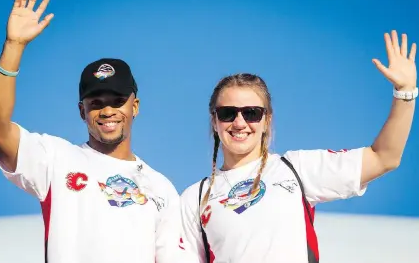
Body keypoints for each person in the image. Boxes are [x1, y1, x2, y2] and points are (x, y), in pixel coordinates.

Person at [0, 0, 182, 263]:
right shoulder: (55, 158)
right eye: (95, 103)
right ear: (81, 111)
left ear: (134, 107)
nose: (107, 110)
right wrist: (14, 45)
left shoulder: (162, 189)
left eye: (116, 101)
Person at [179, 30, 417, 263]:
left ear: (266, 120)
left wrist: (405, 92)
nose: (240, 122)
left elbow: (384, 157)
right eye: (228, 113)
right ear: (215, 120)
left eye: (252, 113)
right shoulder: (195, 198)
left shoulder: (296, 169)